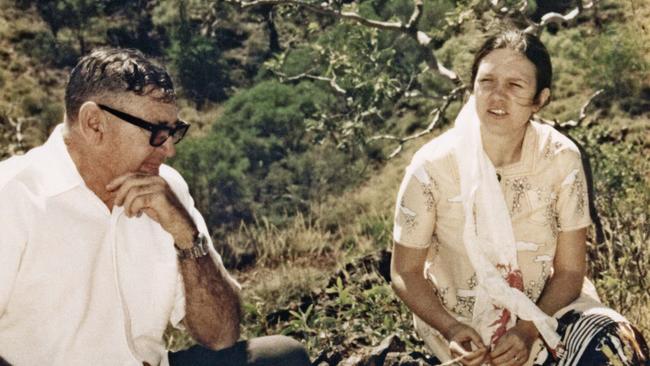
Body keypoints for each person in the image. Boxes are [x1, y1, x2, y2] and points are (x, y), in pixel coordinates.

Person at [0, 48, 310, 366]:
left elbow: (221, 336)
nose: (170, 149)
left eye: (174, 131)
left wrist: (186, 236)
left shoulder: (167, 188)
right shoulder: (13, 195)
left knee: (282, 356)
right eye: (157, 132)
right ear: (94, 123)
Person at [390, 28, 649, 366]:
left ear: (540, 99)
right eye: (487, 83)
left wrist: (529, 329)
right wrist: (452, 329)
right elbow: (405, 272)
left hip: (552, 313)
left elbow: (570, 271)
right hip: (467, 330)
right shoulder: (432, 168)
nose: (497, 97)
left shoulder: (560, 158)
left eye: (515, 86)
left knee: (616, 347)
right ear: (472, 88)